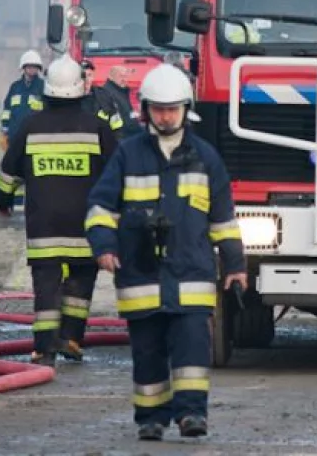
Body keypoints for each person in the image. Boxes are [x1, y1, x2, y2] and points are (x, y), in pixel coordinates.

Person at [84, 63, 247, 441]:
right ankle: (151, 418)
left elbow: (224, 219)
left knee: (192, 351)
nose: (166, 115)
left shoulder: (206, 158)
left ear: (185, 109)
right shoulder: (127, 155)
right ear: (145, 110)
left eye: (172, 108)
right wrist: (104, 248)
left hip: (191, 275)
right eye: (158, 108)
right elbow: (99, 208)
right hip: (140, 276)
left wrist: (236, 265)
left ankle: (192, 415)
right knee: (148, 354)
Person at [0, 55, 118, 366]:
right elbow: (116, 175)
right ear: (81, 89)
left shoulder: (31, 126)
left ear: (47, 89)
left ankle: (43, 349)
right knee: (81, 282)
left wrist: (2, 201)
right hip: (85, 228)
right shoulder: (98, 128)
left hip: (44, 229)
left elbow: (7, 175)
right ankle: (72, 338)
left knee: (46, 288)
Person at [0, 49, 45, 151]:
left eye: (35, 67)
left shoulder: (43, 87)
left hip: (34, 137)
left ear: (38, 68)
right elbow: (7, 110)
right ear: (23, 67)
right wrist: (4, 129)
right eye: (29, 66)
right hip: (14, 135)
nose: (32, 69)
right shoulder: (15, 87)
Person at [81, 59, 125, 137]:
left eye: (89, 75)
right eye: (83, 76)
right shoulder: (69, 98)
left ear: (93, 77)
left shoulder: (104, 96)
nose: (86, 80)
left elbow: (117, 126)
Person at [102, 65, 142, 137]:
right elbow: (123, 120)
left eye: (125, 76)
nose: (124, 79)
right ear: (111, 77)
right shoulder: (109, 93)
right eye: (121, 76)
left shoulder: (120, 92)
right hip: (120, 137)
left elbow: (128, 114)